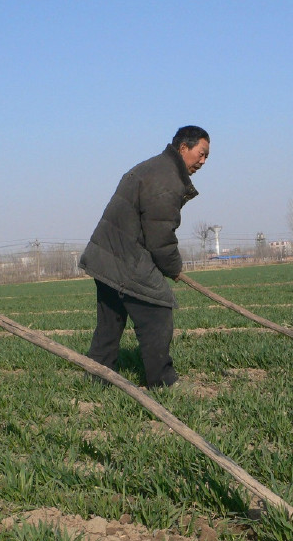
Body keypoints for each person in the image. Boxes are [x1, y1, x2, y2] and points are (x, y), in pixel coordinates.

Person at [79, 125, 210, 388]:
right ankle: (163, 381)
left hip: (107, 255)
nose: (203, 161)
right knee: (158, 312)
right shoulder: (167, 179)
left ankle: (97, 377)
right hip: (126, 258)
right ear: (183, 148)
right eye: (201, 153)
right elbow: (160, 235)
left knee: (110, 322)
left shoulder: (157, 168)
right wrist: (172, 267)